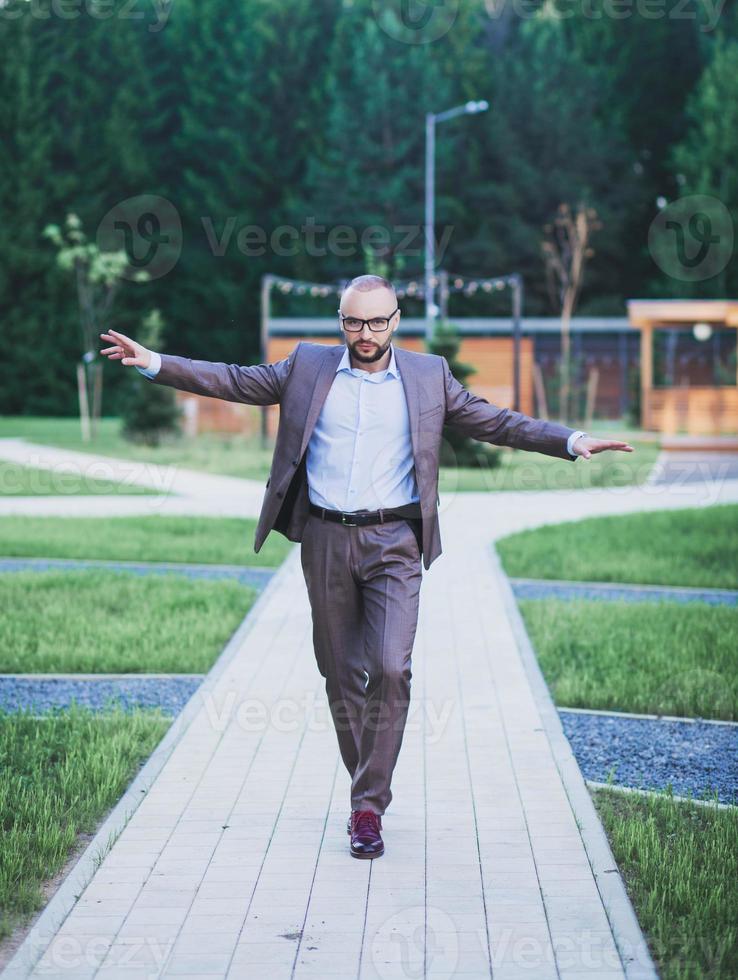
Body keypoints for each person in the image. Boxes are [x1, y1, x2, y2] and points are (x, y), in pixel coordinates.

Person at [99, 274, 633, 859]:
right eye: (354, 322)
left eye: (377, 321)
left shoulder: (429, 376)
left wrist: (571, 440)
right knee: (338, 671)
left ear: (396, 320)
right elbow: (232, 380)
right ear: (341, 321)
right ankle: (368, 787)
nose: (366, 332)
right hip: (324, 539)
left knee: (389, 667)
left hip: (395, 543)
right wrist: (153, 361)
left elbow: (496, 421)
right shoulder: (307, 367)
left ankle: (366, 807)